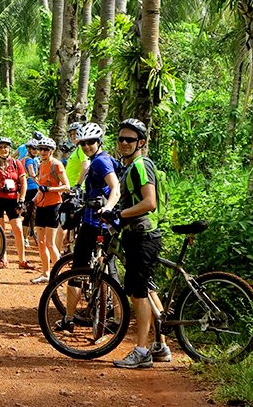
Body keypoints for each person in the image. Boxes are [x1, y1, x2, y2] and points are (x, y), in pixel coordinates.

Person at [112, 118, 169, 369]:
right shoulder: (131, 165)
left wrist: (120, 214)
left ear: (141, 142)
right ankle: (161, 346)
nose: (124, 143)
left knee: (139, 294)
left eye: (130, 139)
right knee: (146, 288)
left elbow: (149, 202)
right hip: (140, 234)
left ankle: (142, 351)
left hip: (143, 236)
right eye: (121, 139)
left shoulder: (140, 166)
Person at [55, 122, 120, 331]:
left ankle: (69, 318)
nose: (86, 146)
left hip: (95, 223)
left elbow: (115, 188)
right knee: (111, 270)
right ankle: (117, 320)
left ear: (99, 141)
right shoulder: (100, 160)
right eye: (83, 143)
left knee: (78, 270)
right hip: (105, 223)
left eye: (91, 142)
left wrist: (108, 207)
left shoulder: (101, 162)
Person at [0, 137, 35, 270]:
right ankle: (3, 259)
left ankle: (22, 260)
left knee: (17, 229)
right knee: (0, 230)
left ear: (10, 149)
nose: (3, 150)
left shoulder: (17, 164)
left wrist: (22, 200)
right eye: (0, 147)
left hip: (12, 200)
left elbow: (23, 183)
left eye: (6, 147)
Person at [31, 137, 70, 284]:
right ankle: (46, 274)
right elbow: (41, 186)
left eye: (46, 149)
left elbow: (67, 186)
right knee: (40, 241)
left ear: (51, 151)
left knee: (50, 243)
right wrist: (34, 198)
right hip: (41, 205)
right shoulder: (41, 165)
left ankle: (59, 275)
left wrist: (50, 189)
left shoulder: (57, 165)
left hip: (54, 205)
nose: (42, 152)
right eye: (40, 149)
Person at [56, 122, 90, 251]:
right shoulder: (76, 150)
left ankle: (56, 252)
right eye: (71, 134)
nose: (73, 136)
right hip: (71, 189)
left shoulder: (81, 149)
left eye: (76, 133)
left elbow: (85, 166)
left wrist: (78, 185)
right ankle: (65, 248)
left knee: (63, 222)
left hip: (75, 191)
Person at [21, 139, 40, 248]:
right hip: (31, 189)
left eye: (37, 149)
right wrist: (40, 183)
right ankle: (25, 238)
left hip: (34, 188)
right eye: (33, 148)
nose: (36, 151)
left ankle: (30, 235)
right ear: (28, 149)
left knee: (32, 214)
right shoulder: (29, 160)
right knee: (29, 214)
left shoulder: (34, 159)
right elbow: (32, 174)